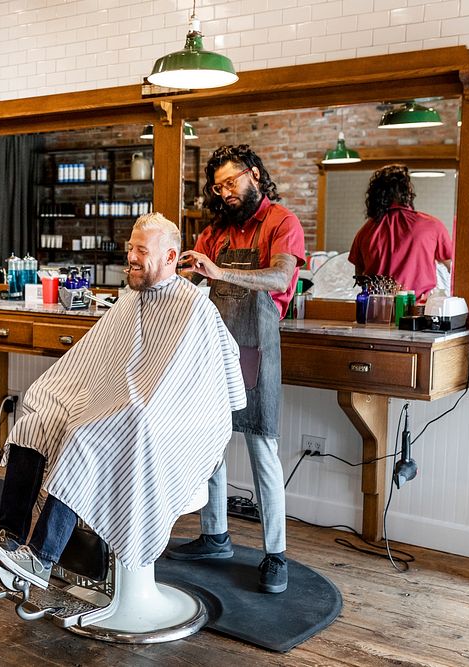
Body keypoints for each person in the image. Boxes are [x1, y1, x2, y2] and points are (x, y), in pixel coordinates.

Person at [0, 213, 246, 590]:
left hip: (166, 423)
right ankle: (7, 539)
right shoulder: (132, 299)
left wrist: (128, 406)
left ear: (171, 258)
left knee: (86, 434)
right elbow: (101, 360)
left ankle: (41, 558)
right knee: (36, 422)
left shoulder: (194, 308)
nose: (132, 258)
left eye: (142, 250)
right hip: (115, 401)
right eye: (130, 249)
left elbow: (187, 390)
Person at [172, 144, 306, 595]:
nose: (225, 192)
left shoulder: (280, 223)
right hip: (214, 346)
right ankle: (215, 536)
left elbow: (280, 279)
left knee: (262, 449)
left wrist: (219, 272)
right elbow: (194, 283)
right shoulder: (215, 233)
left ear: (253, 174)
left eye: (231, 182)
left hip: (257, 346)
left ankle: (276, 554)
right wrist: (172, 272)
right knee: (210, 443)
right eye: (218, 187)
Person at [349, 164, 453, 301]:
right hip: (419, 311)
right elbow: (453, 269)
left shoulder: (365, 232)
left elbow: (360, 277)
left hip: (377, 311)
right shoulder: (432, 226)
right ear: (408, 192)